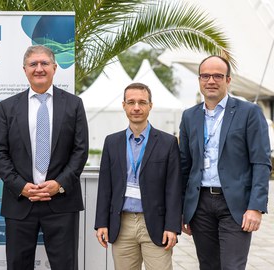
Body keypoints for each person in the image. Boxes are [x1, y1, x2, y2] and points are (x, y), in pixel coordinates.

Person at [0, 45, 89, 270]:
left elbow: (80, 150)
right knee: (18, 265)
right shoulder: (7, 107)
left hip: (62, 202)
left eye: (44, 63)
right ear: (24, 70)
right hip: (20, 201)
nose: (39, 68)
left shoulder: (74, 105)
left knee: (65, 265)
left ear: (54, 68)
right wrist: (20, 186)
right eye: (33, 64)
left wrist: (60, 184)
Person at [179, 55, 271, 269]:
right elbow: (184, 165)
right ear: (200, 80)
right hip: (200, 205)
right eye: (205, 76)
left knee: (232, 266)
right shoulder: (189, 116)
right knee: (208, 266)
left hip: (235, 206)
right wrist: (183, 208)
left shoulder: (249, 112)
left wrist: (256, 207)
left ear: (228, 80)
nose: (211, 81)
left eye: (218, 76)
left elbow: (261, 162)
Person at [94, 82, 182, 270]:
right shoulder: (112, 142)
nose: (136, 107)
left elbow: (174, 188)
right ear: (124, 105)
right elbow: (105, 186)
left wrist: (172, 226)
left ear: (150, 105)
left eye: (142, 102)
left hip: (155, 225)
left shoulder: (167, 143)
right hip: (121, 224)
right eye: (131, 102)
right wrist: (101, 223)